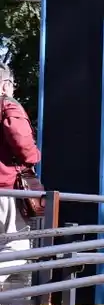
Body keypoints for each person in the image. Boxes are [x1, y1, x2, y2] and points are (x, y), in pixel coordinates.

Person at [0, 65, 39, 289]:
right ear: (6, 85)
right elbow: (23, 144)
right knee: (18, 246)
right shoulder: (8, 105)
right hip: (6, 188)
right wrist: (35, 156)